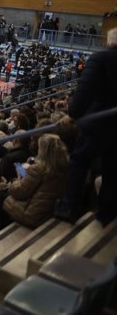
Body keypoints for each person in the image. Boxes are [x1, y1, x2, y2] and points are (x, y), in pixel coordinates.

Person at [57, 28, 117, 225]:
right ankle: (106, 214)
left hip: (100, 124)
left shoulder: (101, 59)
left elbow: (84, 91)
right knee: (112, 170)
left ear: (109, 41)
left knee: (79, 161)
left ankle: (69, 207)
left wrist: (73, 114)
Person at [5, 134, 69, 227]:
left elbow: (19, 192)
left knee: (0, 197)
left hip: (33, 215)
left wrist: (18, 178)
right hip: (50, 210)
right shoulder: (65, 165)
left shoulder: (39, 169)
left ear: (43, 151)